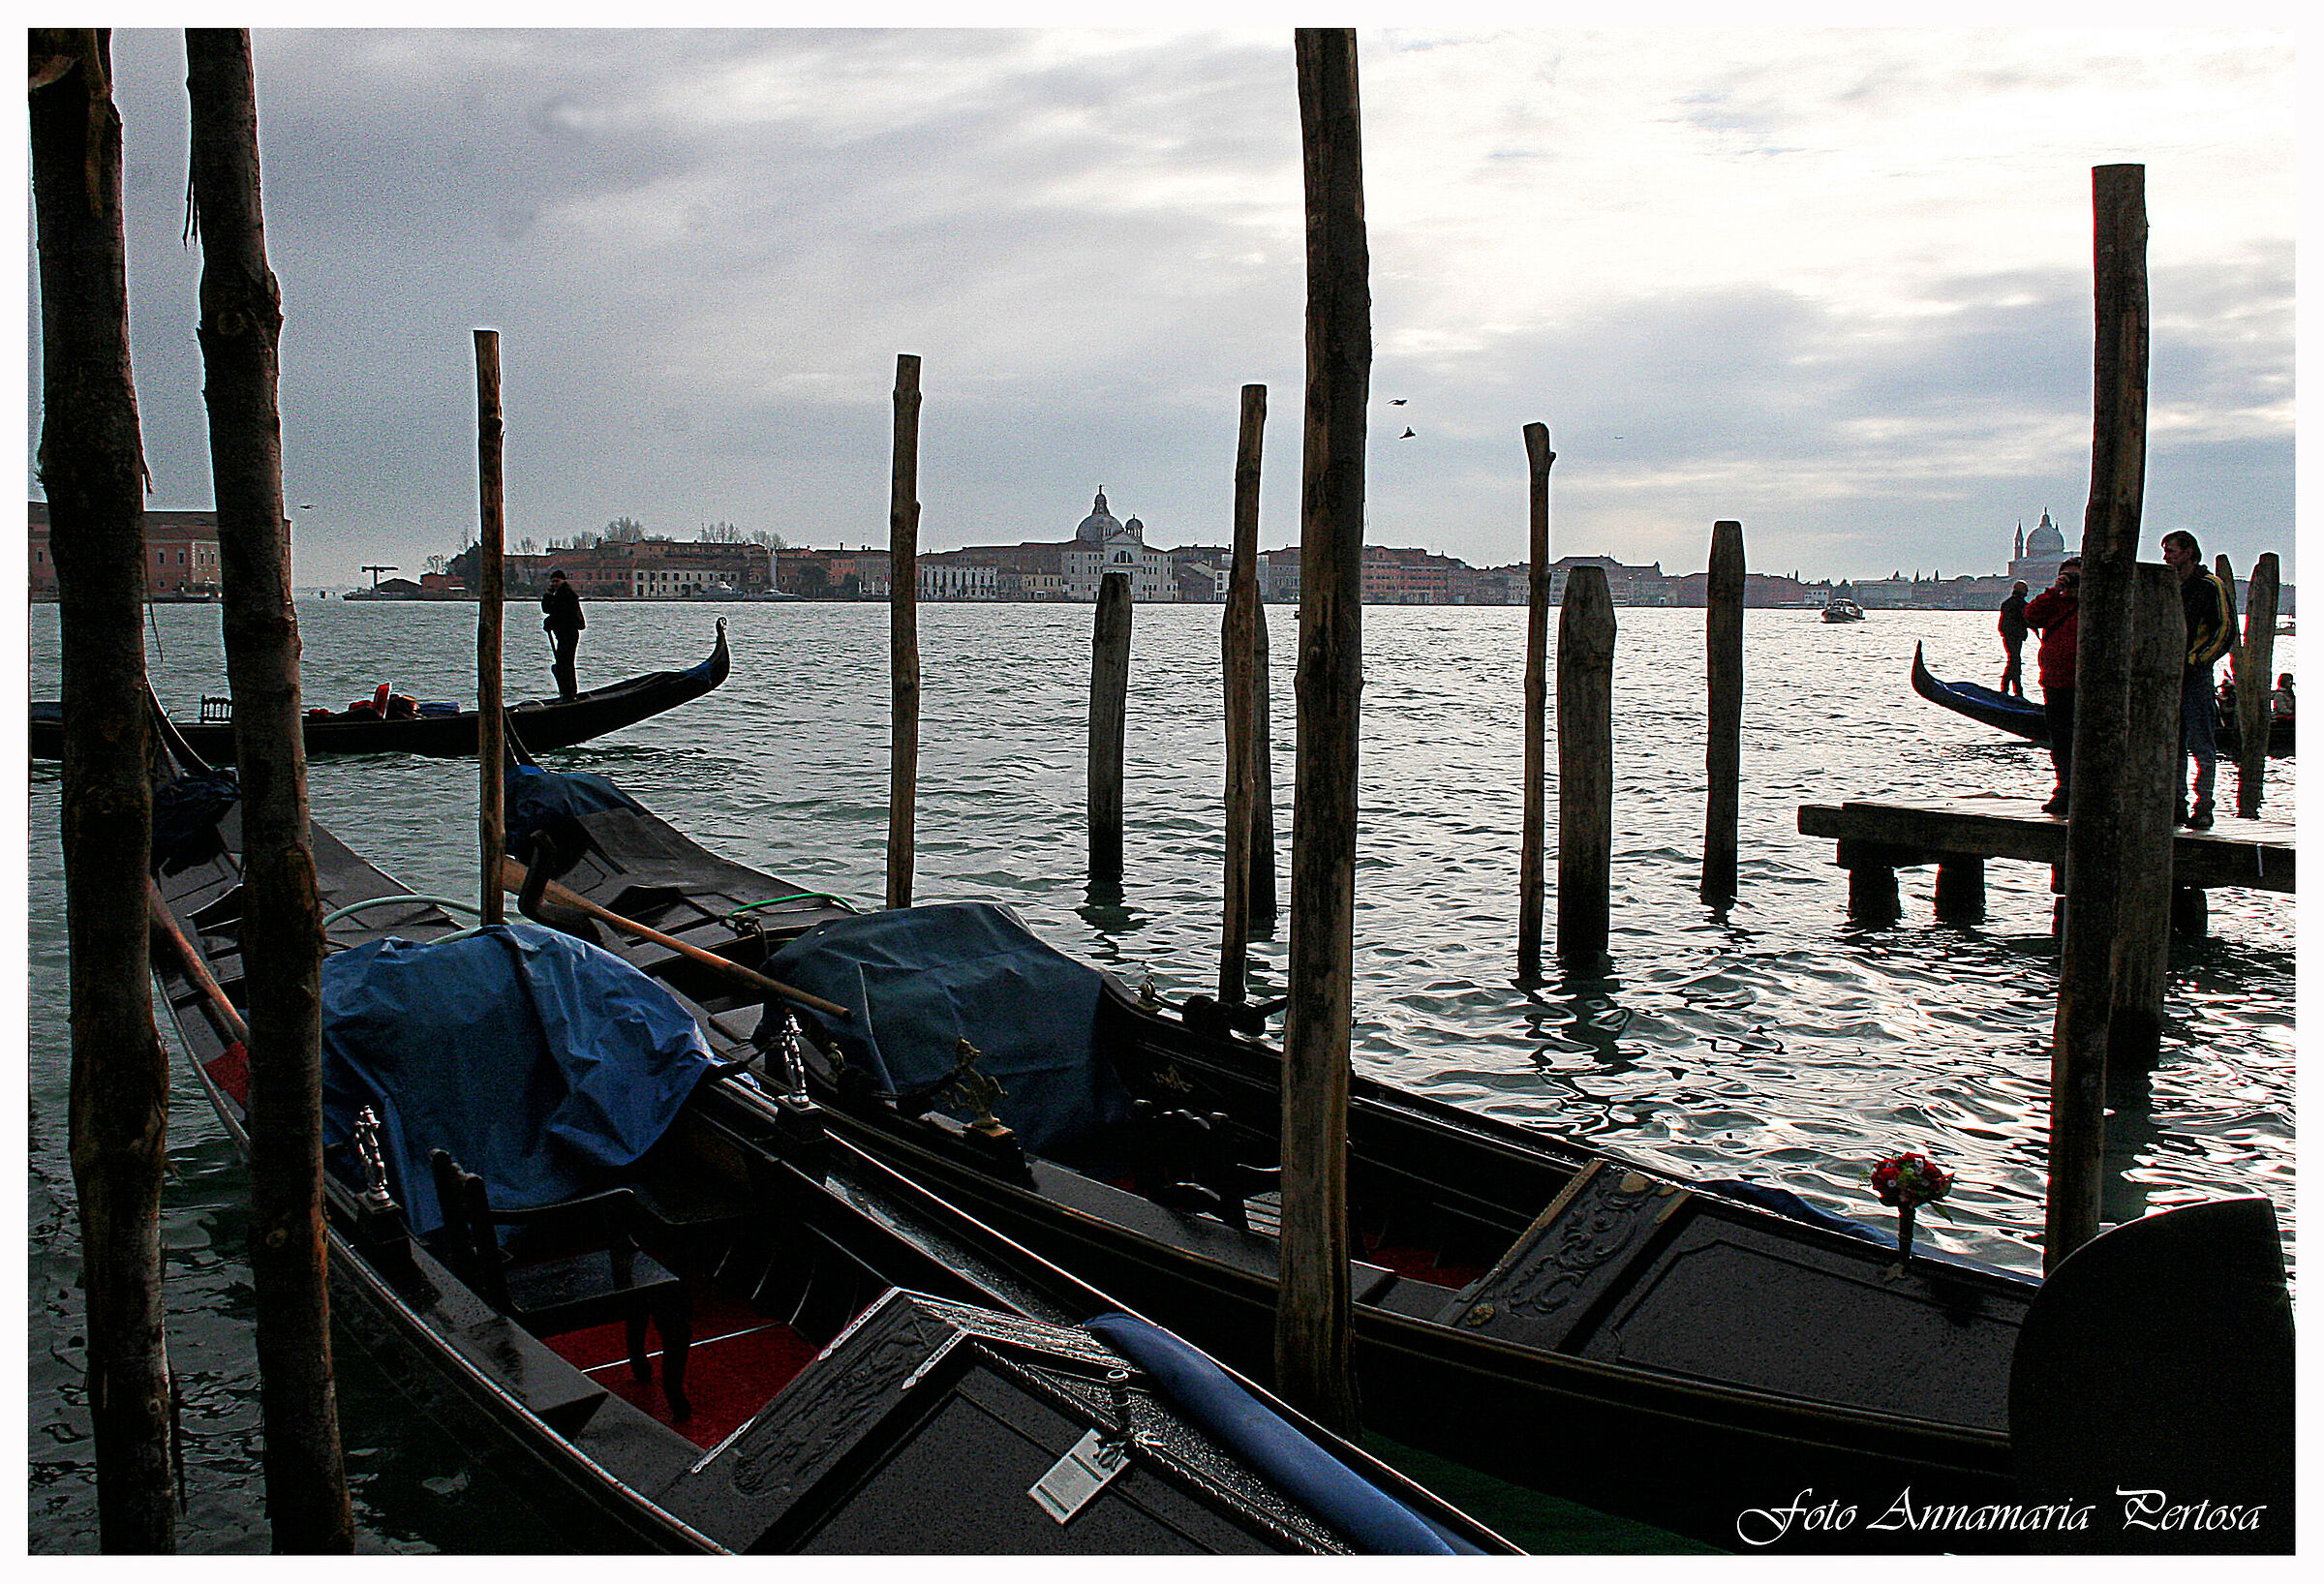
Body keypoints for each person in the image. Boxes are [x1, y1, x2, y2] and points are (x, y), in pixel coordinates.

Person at [2160, 530, 2234, 829]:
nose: (2167, 557)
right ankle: (2177, 803)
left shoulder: (2209, 586)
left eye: (2172, 552)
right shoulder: (2166, 585)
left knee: (2202, 742)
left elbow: (2226, 631)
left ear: (2189, 552)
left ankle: (2204, 804)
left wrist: (2196, 660)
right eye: (2165, 552)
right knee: (2172, 742)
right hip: (2166, 677)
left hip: (2195, 676)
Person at [2022, 557, 2081, 815]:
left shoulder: (2097, 603)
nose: (2071, 580)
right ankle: (2065, 787)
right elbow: (2030, 615)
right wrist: (2055, 590)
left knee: (2085, 740)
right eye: (2067, 575)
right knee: (2060, 740)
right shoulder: (2054, 602)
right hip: (2056, 683)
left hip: (2089, 687)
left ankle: (2082, 790)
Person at [541, 568, 585, 700]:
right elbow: (547, 609)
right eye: (552, 582)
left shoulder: (566, 594)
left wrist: (549, 621)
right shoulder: (558, 594)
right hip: (563, 634)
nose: (554, 584)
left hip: (569, 633)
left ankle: (569, 693)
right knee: (563, 664)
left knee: (565, 664)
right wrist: (548, 594)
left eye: (557, 581)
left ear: (563, 581)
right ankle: (568, 693)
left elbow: (560, 612)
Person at [1997, 581, 2030, 697]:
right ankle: (2013, 689)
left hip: (2008, 634)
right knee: (2015, 660)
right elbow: (2027, 619)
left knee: (2014, 660)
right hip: (2015, 636)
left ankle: (2010, 688)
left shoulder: (2007, 603)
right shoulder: (2020, 604)